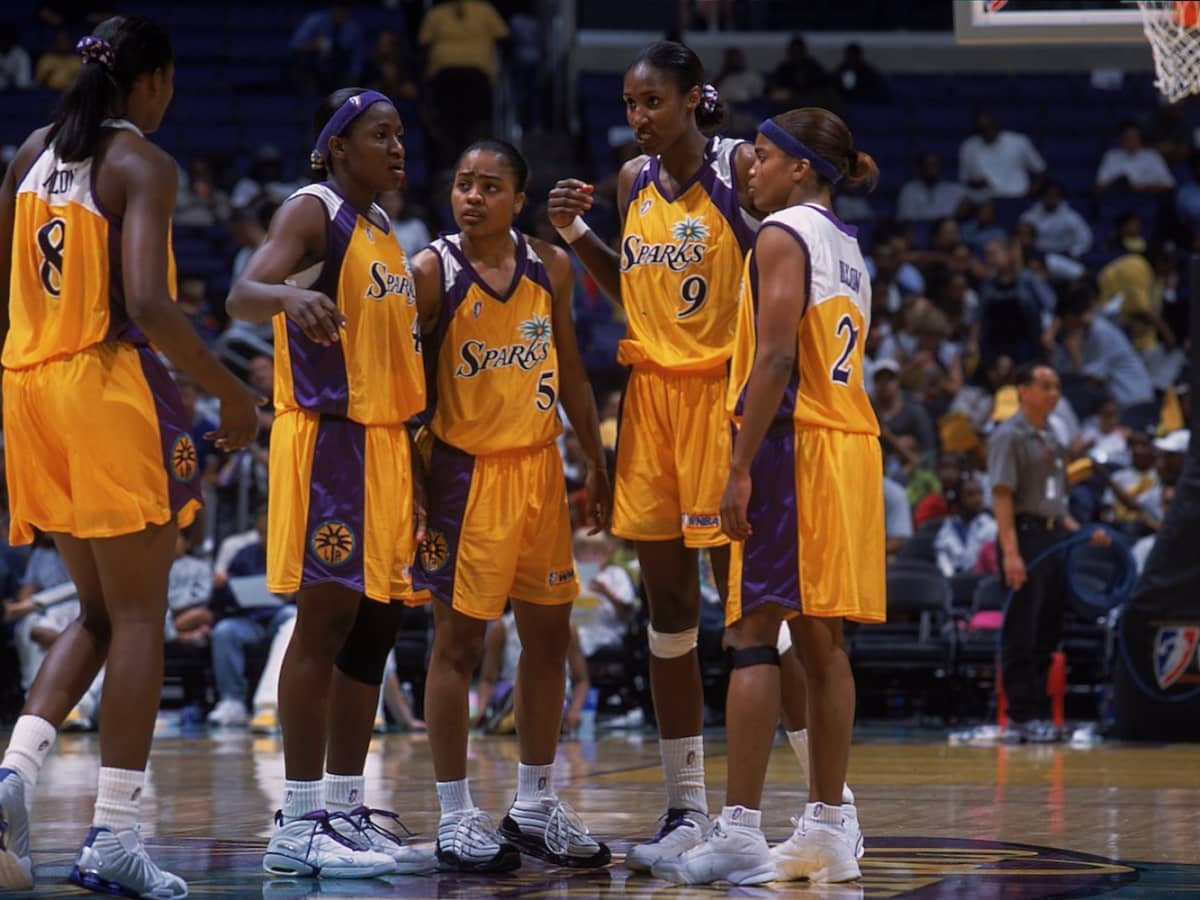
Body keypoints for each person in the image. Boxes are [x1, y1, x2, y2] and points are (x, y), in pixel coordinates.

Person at [0, 16, 261, 897]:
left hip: (28, 388)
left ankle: (13, 776)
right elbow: (148, 300)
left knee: (102, 613)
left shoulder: (34, 149)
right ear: (151, 82)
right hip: (101, 384)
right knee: (142, 614)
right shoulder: (140, 162)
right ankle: (114, 834)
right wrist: (228, 389)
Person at [547, 40, 763, 870]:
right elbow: (626, 288)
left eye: (652, 104)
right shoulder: (633, 183)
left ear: (689, 101)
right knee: (666, 613)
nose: (638, 118)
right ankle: (686, 808)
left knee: (741, 610)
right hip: (648, 404)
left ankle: (755, 815)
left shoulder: (739, 173)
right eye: (630, 104)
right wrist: (574, 234)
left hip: (720, 399)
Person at [654, 107, 883, 885]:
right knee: (823, 643)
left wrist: (740, 465)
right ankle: (826, 824)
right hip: (848, 445)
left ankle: (740, 828)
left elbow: (778, 355)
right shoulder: (848, 245)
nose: (747, 170)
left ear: (797, 168)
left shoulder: (784, 233)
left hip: (795, 445)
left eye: (758, 158)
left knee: (753, 635)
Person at [225, 87, 430, 878]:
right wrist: (289, 296)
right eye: (382, 135)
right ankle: (300, 819)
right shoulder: (313, 212)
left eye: (402, 135)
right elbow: (244, 292)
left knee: (377, 626)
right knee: (324, 623)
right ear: (340, 146)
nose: (398, 147)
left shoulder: (382, 228)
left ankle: (344, 808)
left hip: (384, 444)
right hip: (332, 439)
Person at [411, 139, 611, 872]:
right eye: (462, 183)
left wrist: (594, 459)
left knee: (550, 640)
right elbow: (405, 397)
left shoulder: (549, 266)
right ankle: (456, 813)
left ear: (517, 200)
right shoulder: (430, 272)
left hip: (540, 471)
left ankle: (532, 802)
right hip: (465, 477)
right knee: (458, 647)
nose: (471, 196)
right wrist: (410, 490)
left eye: (488, 186)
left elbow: (574, 372)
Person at [987, 363, 1109, 744]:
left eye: (1056, 386)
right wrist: (1011, 553)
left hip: (1055, 538)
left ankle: (1040, 712)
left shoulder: (1052, 437)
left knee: (1047, 628)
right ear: (1023, 390)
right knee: (1022, 628)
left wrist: (1083, 533)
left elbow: (1055, 503)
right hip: (1024, 537)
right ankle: (1020, 715)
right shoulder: (1010, 435)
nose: (1053, 393)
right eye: (1045, 386)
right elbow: (1003, 496)